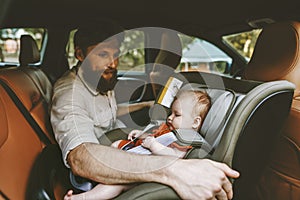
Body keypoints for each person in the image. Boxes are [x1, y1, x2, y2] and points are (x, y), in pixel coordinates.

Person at [50, 20, 240, 200]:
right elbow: (81, 158)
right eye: (102, 54)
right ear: (80, 54)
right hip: (98, 174)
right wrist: (173, 170)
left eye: (116, 55)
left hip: (120, 145)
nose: (113, 63)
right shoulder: (69, 95)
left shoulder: (98, 79)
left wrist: (146, 105)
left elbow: (104, 114)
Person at [64, 89, 212, 199]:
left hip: (149, 173)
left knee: (116, 183)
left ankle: (83, 198)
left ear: (195, 122)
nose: (170, 118)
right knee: (116, 145)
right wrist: (142, 135)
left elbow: (175, 157)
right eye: (171, 113)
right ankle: (96, 176)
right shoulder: (170, 129)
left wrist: (154, 145)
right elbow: (155, 136)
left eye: (177, 115)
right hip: (141, 154)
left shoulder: (185, 140)